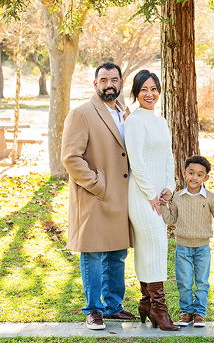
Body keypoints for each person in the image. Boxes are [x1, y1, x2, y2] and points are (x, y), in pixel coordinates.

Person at [61, 62, 136, 330]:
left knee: (116, 253)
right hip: (95, 196)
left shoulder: (124, 113)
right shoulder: (81, 113)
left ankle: (113, 306)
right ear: (95, 84)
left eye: (114, 80)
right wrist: (97, 184)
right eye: (103, 80)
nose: (109, 84)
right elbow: (70, 157)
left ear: (120, 83)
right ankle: (93, 309)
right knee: (92, 253)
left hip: (121, 196)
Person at [124, 70, 178, 331]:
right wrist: (150, 194)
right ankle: (158, 307)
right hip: (141, 195)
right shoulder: (134, 121)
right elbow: (137, 162)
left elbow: (169, 157)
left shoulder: (161, 121)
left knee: (150, 247)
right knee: (157, 244)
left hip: (159, 195)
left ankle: (146, 302)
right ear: (136, 92)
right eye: (144, 89)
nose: (149, 94)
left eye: (154, 88)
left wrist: (169, 186)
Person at [163, 156, 214, 328]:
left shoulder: (211, 198)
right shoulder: (178, 197)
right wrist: (163, 205)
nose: (194, 177)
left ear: (206, 177)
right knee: (184, 281)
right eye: (191, 173)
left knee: (202, 282)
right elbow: (171, 218)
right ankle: (186, 312)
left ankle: (200, 313)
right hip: (182, 247)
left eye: (199, 174)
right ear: (184, 173)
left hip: (202, 248)